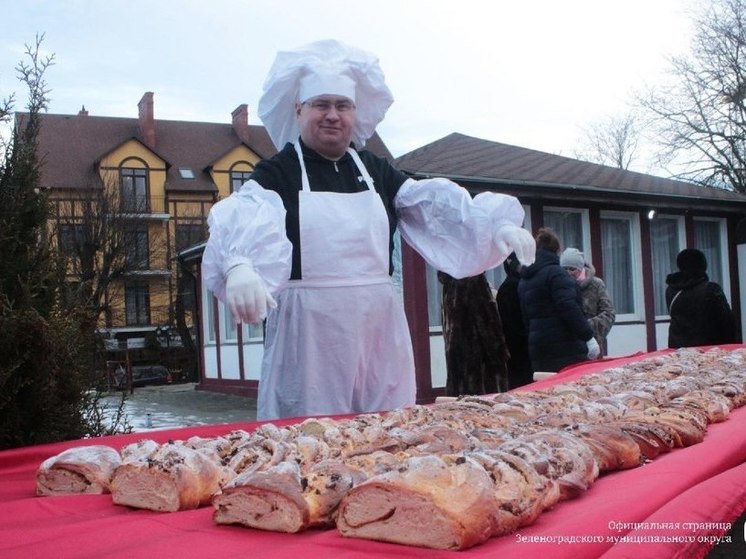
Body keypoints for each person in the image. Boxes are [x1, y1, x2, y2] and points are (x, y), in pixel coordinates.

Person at [201, 39, 535, 420]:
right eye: (321, 104)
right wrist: (239, 264)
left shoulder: (375, 170)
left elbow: (431, 206)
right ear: (298, 110)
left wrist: (493, 227)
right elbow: (244, 216)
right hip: (311, 337)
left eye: (342, 105)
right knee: (312, 436)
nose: (332, 115)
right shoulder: (279, 172)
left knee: (385, 430)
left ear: (355, 113)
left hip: (379, 329)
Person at [517, 228, 600, 373]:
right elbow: (568, 307)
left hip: (538, 348)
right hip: (566, 348)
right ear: (557, 251)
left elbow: (525, 319)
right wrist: (588, 337)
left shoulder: (525, 280)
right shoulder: (557, 274)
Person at [438, 271, 509, 396]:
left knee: (463, 406)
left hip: (458, 359)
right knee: (484, 407)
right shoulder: (473, 280)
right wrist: (500, 352)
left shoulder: (449, 285)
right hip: (479, 361)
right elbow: (487, 320)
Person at [665, 248, 736, 348]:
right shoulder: (711, 289)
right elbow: (727, 322)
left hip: (678, 351)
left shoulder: (671, 290)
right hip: (707, 351)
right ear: (703, 266)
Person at [560, 247, 616, 357]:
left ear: (580, 269)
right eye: (564, 269)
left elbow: (609, 313)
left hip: (592, 348)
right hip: (568, 348)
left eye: (572, 269)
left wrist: (586, 326)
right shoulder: (559, 286)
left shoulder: (596, 285)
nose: (568, 273)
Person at [496, 253, 534, 388]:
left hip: (516, 348)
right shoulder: (513, 287)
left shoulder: (512, 285)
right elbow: (512, 323)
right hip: (519, 349)